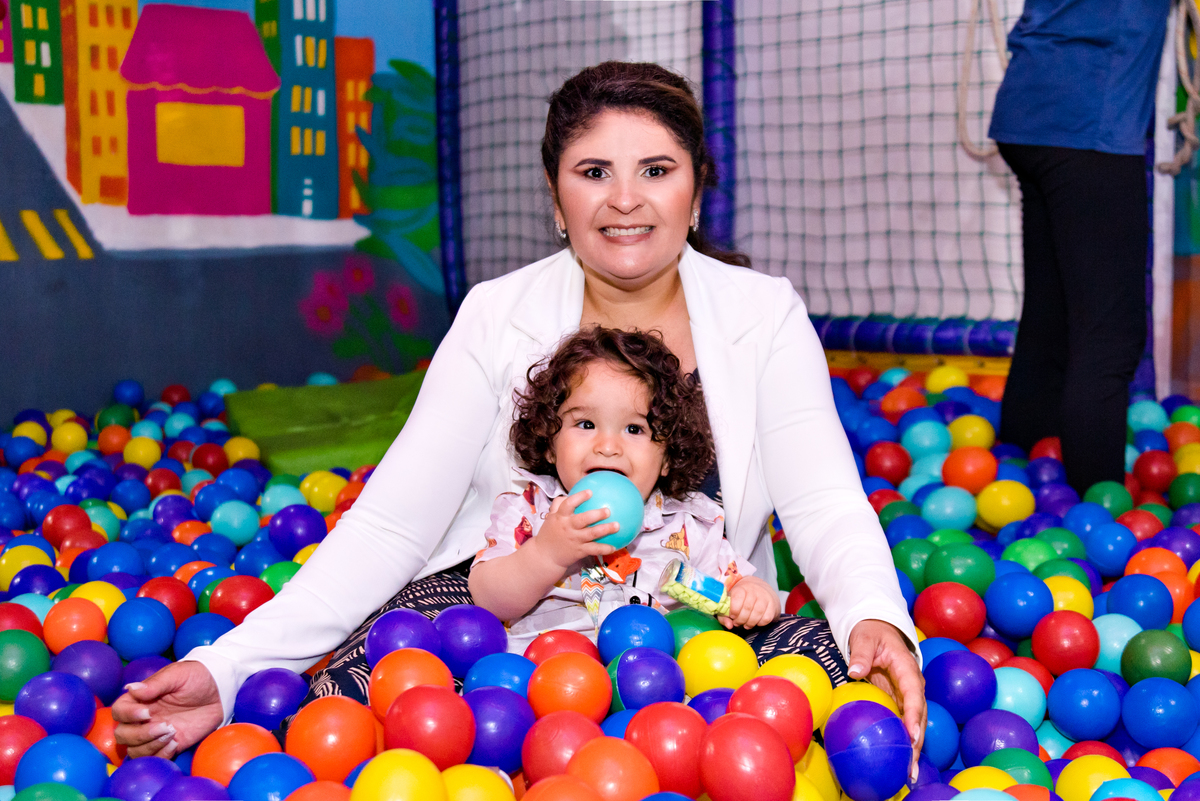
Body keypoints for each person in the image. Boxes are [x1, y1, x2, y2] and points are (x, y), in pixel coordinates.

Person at [113, 61, 924, 772]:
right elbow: (393, 524)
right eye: (594, 171)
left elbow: (822, 503)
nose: (626, 201)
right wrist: (230, 668)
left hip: (695, 636)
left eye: (656, 169)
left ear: (697, 187)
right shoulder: (498, 314)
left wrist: (877, 615)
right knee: (352, 695)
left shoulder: (762, 314)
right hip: (509, 632)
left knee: (846, 685)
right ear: (555, 193)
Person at [470, 326, 779, 644]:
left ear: (668, 457)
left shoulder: (689, 528)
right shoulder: (528, 511)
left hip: (654, 675)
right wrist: (547, 554)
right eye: (586, 424)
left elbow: (732, 587)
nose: (608, 445)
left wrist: (750, 596)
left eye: (634, 428)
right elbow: (488, 600)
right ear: (550, 442)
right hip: (547, 675)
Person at [987, 0, 1170, 494]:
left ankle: (1020, 468)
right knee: (1111, 334)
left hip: (1031, 113)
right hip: (1087, 124)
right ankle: (1098, 504)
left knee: (1053, 310)